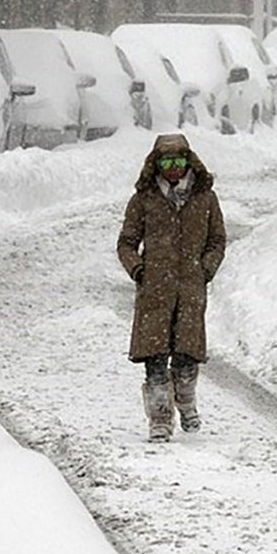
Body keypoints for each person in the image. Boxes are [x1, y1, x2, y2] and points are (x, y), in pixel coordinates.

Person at [117, 133, 226, 442]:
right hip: (155, 292)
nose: (173, 168)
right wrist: (138, 269)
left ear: (189, 162)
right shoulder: (144, 200)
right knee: (155, 359)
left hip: (190, 290)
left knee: (186, 356)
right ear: (157, 164)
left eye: (179, 161)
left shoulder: (205, 199)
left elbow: (217, 240)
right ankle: (160, 419)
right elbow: (126, 243)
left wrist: (206, 268)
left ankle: (187, 401)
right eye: (167, 162)